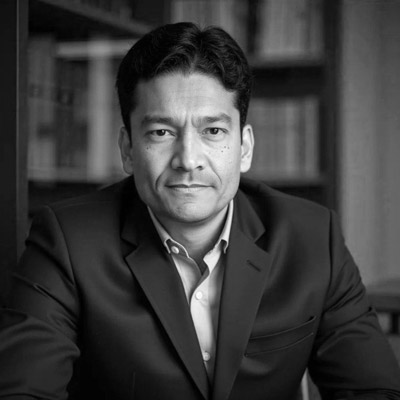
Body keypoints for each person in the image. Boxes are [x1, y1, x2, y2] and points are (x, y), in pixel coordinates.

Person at [0, 22, 399, 400]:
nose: (188, 160)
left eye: (213, 131)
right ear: (128, 149)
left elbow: (374, 389)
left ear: (244, 147)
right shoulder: (67, 242)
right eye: (161, 132)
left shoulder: (312, 238)